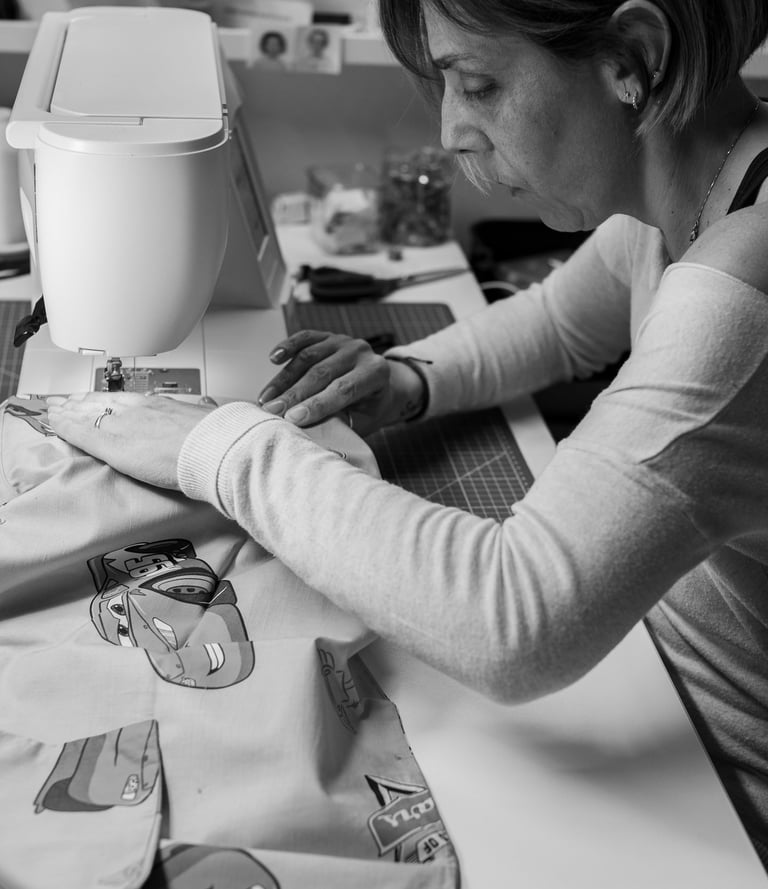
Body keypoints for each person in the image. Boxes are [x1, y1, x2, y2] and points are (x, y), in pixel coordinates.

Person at [47, 0, 768, 867]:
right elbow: (560, 322)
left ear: (634, 58)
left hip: (718, 789)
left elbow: (515, 617)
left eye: (479, 84)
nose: (454, 131)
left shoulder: (744, 279)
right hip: (646, 669)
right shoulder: (707, 186)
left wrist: (218, 447)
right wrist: (407, 379)